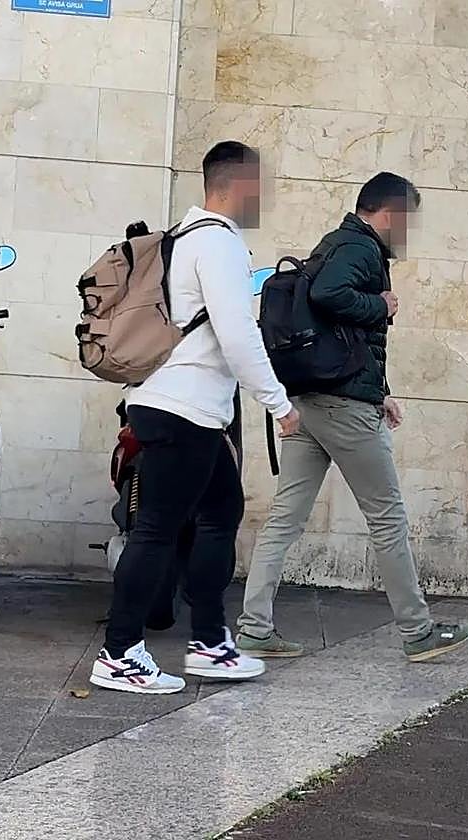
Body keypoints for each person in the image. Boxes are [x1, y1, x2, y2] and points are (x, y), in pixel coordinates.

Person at [237, 172, 468, 663]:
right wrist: (380, 304)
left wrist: (380, 391)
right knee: (387, 517)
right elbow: (330, 297)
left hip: (313, 400)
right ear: (388, 214)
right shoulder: (360, 248)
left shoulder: (334, 242)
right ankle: (418, 631)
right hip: (343, 409)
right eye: (407, 219)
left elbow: (343, 338)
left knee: (284, 520)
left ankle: (254, 627)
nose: (408, 231)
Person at [92, 141, 301, 695]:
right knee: (157, 531)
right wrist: (279, 403)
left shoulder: (185, 238)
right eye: (261, 185)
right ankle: (118, 652)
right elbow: (237, 332)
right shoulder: (219, 243)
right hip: (181, 406)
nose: (265, 197)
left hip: (180, 406)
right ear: (236, 185)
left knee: (220, 511)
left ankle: (210, 642)